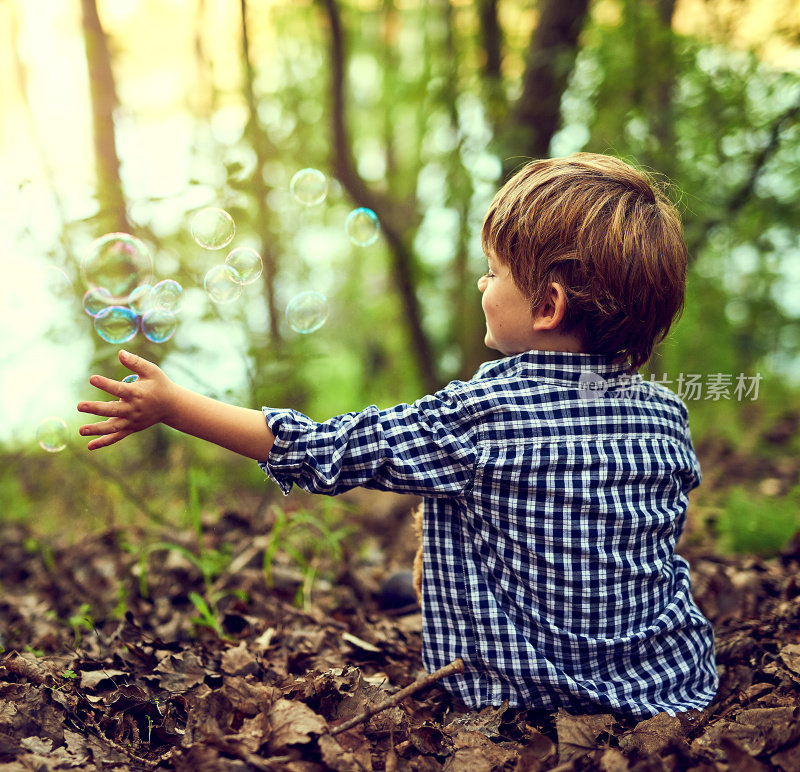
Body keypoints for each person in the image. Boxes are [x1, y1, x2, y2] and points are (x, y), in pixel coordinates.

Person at [78, 153, 718, 720]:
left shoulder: (484, 411)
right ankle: (408, 585)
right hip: (665, 685)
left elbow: (323, 452)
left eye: (492, 273)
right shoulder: (667, 415)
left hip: (525, 696)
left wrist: (174, 405)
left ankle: (413, 587)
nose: (481, 284)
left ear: (547, 308)